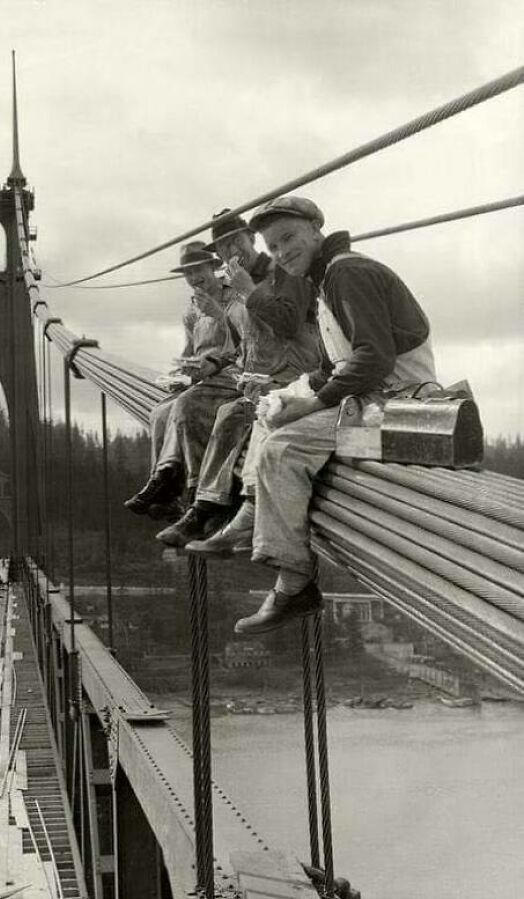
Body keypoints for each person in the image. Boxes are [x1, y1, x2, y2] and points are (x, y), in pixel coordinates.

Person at [226, 196, 435, 635]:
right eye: (273, 246)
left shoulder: (346, 274)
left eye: (289, 238)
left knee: (282, 451)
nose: (282, 252)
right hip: (367, 393)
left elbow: (373, 359)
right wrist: (286, 394)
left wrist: (313, 404)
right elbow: (331, 365)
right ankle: (251, 513)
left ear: (316, 230)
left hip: (395, 401)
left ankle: (293, 585)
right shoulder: (327, 279)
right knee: (272, 408)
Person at [155, 208, 320, 547]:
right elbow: (247, 338)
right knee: (192, 410)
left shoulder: (283, 272)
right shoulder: (235, 281)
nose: (232, 253)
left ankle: (205, 509)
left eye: (236, 242)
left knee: (228, 414)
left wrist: (247, 292)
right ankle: (199, 504)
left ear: (251, 238)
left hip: (294, 378)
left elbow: (288, 325)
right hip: (258, 378)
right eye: (224, 249)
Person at [124, 241, 245, 519]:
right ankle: (161, 480)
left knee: (185, 405)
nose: (193, 278)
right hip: (202, 380)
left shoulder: (236, 299)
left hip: (231, 377)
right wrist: (180, 373)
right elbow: (190, 350)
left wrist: (219, 315)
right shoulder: (191, 310)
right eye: (187, 273)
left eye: (198, 270)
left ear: (213, 268)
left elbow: (247, 345)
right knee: (159, 412)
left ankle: (189, 487)